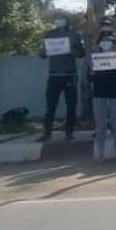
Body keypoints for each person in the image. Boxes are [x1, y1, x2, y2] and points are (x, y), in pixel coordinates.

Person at [38, 13, 85, 142]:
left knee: (71, 105)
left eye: (61, 19)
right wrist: (43, 51)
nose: (59, 21)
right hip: (54, 75)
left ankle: (69, 132)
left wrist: (73, 51)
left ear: (66, 20)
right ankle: (47, 133)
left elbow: (81, 53)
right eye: (57, 19)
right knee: (50, 106)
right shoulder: (49, 35)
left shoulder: (74, 35)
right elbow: (42, 54)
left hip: (70, 75)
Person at [88, 34, 116, 161]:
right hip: (99, 95)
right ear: (99, 44)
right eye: (103, 41)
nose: (106, 43)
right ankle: (100, 153)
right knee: (100, 126)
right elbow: (89, 77)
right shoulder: (94, 59)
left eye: (108, 41)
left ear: (113, 44)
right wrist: (92, 72)